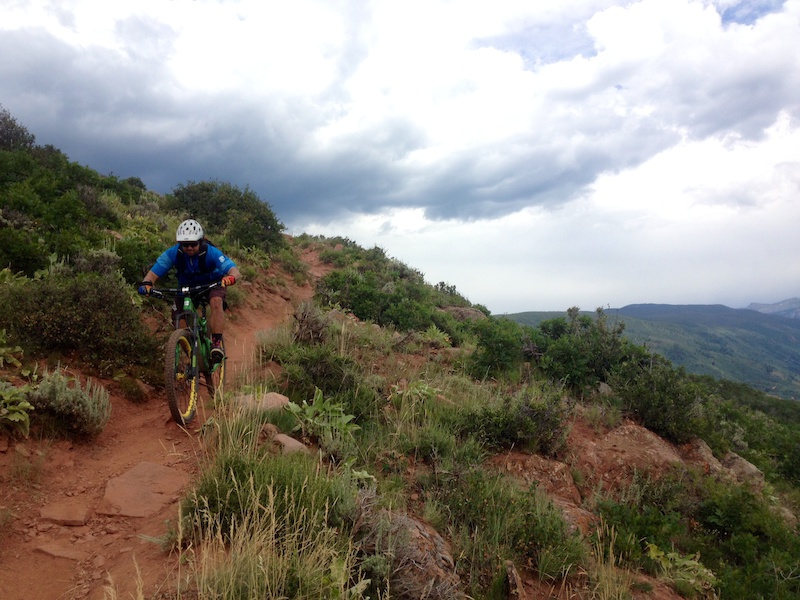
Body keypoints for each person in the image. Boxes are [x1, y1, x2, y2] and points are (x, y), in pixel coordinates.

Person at [138, 219, 241, 363]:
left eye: (193, 244)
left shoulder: (210, 252)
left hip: (213, 283)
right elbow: (154, 273)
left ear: (201, 242)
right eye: (185, 245)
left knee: (216, 301)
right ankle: (191, 351)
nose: (189, 248)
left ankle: (216, 344)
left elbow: (234, 270)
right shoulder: (174, 253)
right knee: (178, 317)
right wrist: (147, 284)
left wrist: (230, 278)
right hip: (188, 286)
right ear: (180, 244)